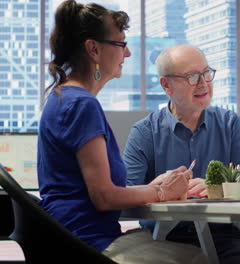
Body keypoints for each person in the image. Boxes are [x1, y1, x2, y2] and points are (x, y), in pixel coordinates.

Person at [38, 1, 207, 263]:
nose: (127, 54)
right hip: (88, 243)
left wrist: (152, 187)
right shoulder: (82, 105)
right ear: (93, 49)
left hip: (65, 238)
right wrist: (163, 193)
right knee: (198, 257)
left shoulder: (62, 98)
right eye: (121, 44)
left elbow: (88, 190)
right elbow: (104, 196)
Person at [123, 44, 240, 264]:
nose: (204, 84)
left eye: (206, 73)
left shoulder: (228, 124)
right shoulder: (144, 132)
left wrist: (219, 188)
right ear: (166, 85)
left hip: (222, 236)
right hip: (163, 238)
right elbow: (125, 200)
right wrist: (160, 190)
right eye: (192, 76)